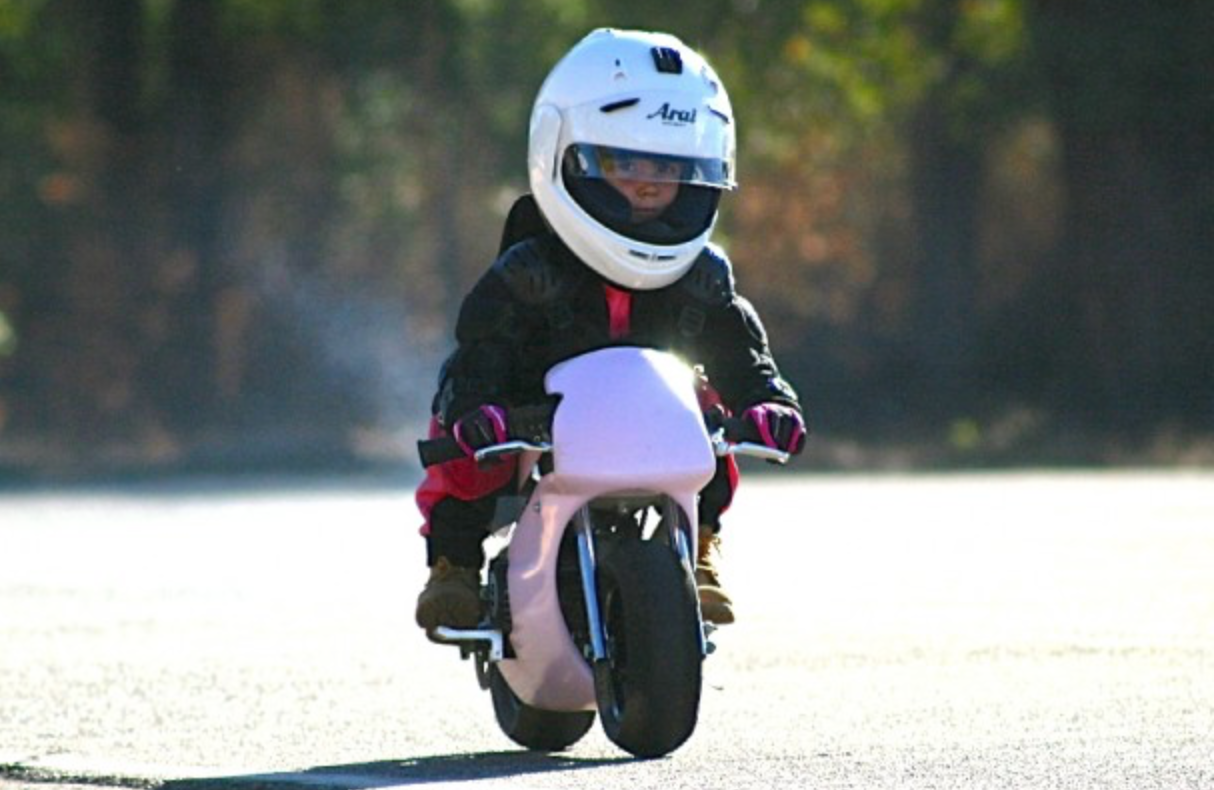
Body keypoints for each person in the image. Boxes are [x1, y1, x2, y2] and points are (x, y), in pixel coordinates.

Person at [414, 28, 806, 637]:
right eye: (625, 163)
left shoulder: (704, 274)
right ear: (566, 159)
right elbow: (480, 349)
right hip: (533, 416)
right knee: (459, 444)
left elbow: (740, 348)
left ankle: (700, 547)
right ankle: (453, 565)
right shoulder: (526, 269)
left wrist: (769, 402)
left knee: (711, 424)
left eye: (670, 167)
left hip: (652, 409)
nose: (649, 183)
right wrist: (476, 409)